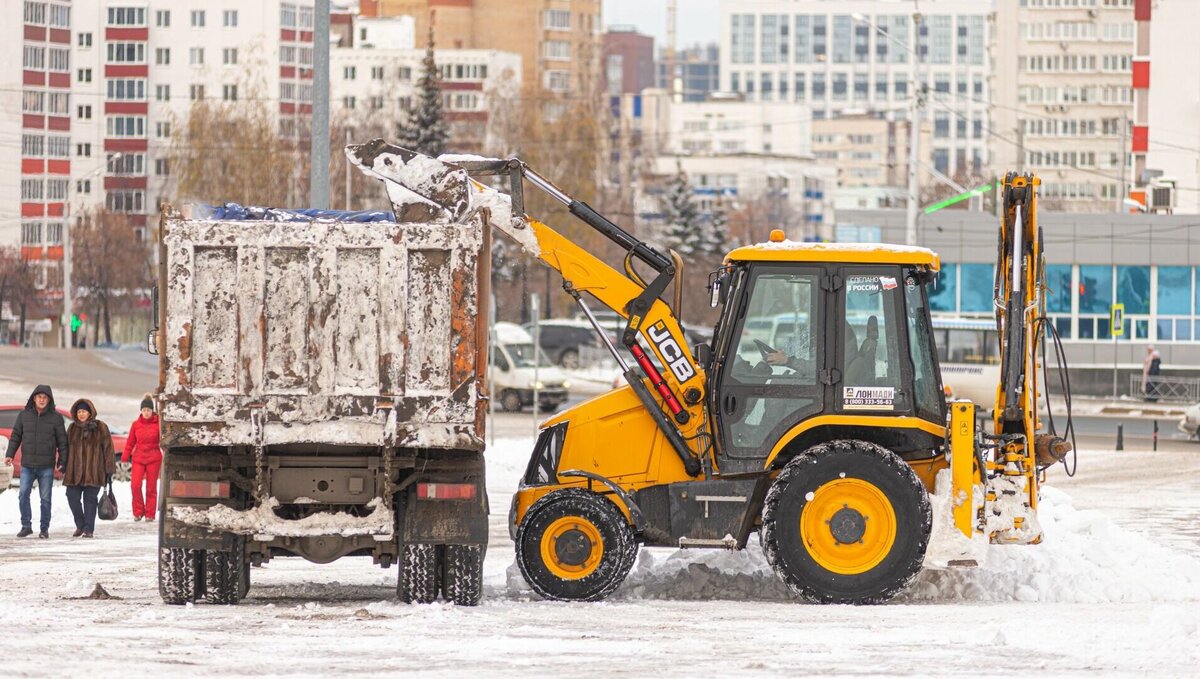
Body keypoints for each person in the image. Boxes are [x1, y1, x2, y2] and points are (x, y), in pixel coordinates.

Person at [4, 385, 68, 538]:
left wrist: (63, 460)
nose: (41, 399)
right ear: (34, 398)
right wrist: (10, 454)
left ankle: (44, 529)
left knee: (45, 499)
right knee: (23, 495)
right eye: (39, 397)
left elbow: (62, 442)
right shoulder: (24, 415)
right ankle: (26, 526)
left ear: (49, 400)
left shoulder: (56, 418)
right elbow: (15, 436)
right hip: (27, 465)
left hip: (46, 466)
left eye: (45, 397)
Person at [63, 399, 115, 538]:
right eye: (79, 411)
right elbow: (66, 449)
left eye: (84, 411)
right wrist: (63, 463)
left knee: (90, 500)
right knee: (71, 497)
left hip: (94, 471)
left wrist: (109, 468)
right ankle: (80, 524)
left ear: (90, 412)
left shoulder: (100, 427)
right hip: (74, 472)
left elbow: (108, 448)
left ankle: (88, 529)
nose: (81, 414)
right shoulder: (72, 428)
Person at [122, 396, 162, 522]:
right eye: (144, 410)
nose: (146, 412)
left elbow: (164, 440)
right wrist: (125, 456)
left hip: (154, 458)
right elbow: (130, 442)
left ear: (152, 411)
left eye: (148, 410)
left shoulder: (158, 424)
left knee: (151, 488)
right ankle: (138, 512)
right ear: (141, 411)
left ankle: (150, 514)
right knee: (135, 485)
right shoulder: (135, 425)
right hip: (138, 458)